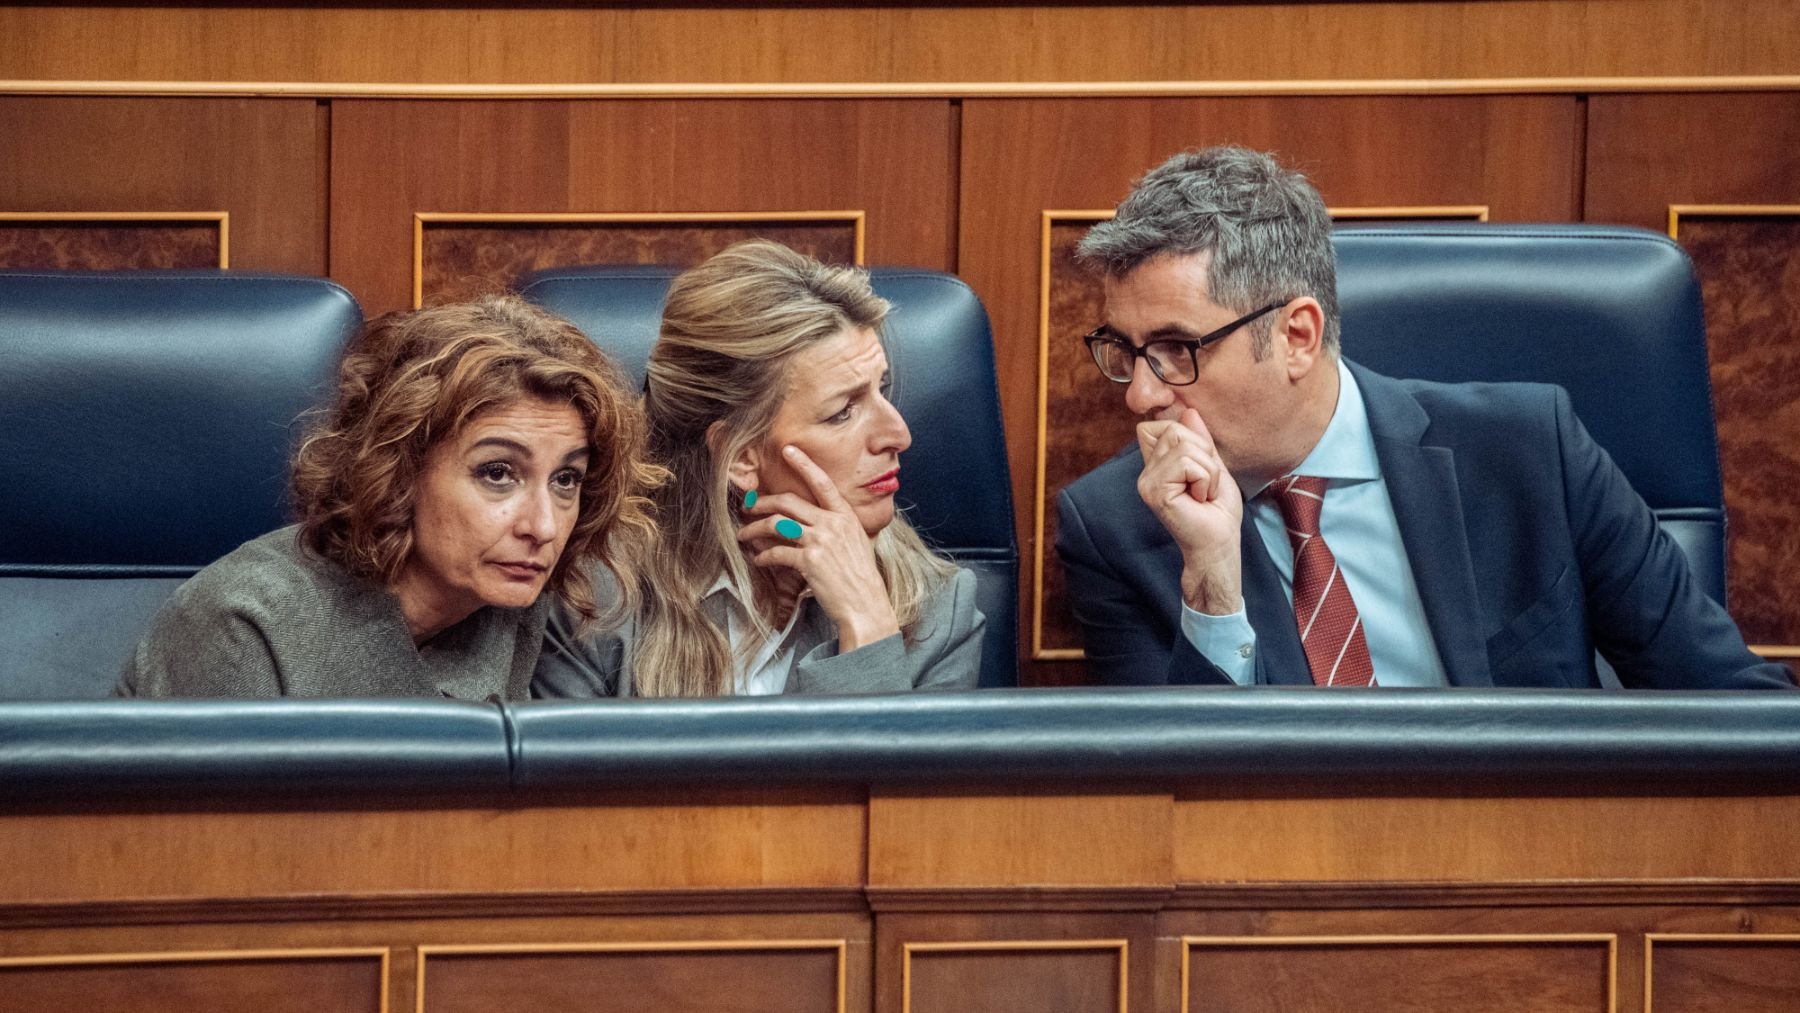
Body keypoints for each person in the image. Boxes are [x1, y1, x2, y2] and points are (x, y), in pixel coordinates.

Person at [1056, 145, 1793, 690]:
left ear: (1296, 336)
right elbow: (1168, 801)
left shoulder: (1532, 452)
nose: (1141, 397)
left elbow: (1732, 709)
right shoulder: (1118, 524)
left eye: (1179, 350)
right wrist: (1213, 586)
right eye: (1125, 350)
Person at [118, 295, 660, 698]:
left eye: (566, 480)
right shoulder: (242, 625)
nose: (542, 526)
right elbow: (204, 848)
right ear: (399, 471)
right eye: (498, 473)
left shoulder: (515, 595)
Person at [535, 240, 984, 696]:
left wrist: (867, 627)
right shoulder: (594, 603)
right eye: (843, 412)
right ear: (742, 456)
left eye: (880, 390)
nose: (899, 435)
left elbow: (899, 770)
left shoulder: (939, 612)